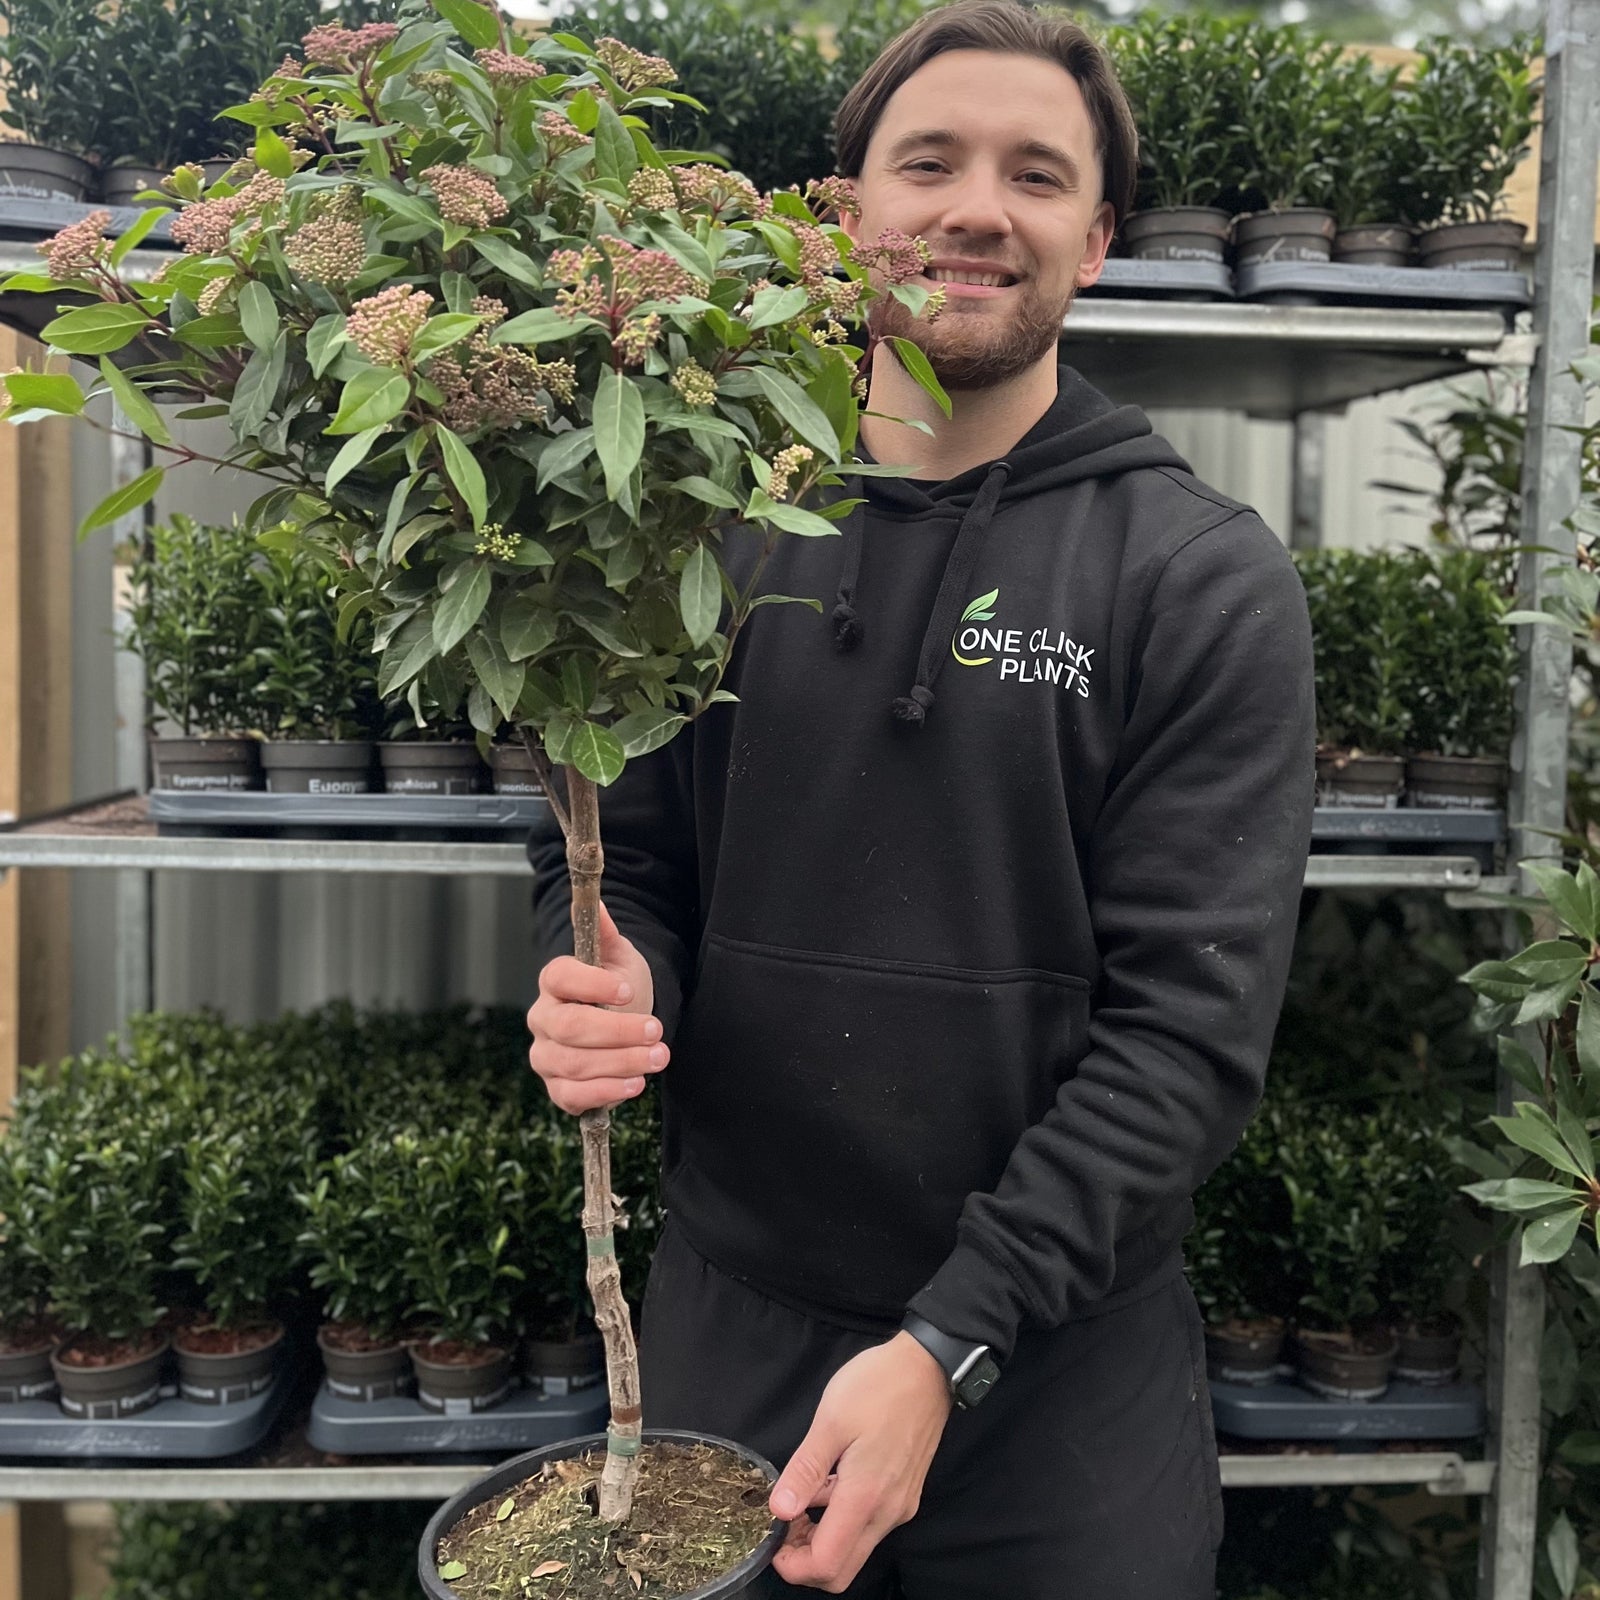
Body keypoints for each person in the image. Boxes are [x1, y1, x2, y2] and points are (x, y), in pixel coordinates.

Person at [527, 2, 1316, 1594]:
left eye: (1035, 176)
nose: (975, 207)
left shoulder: (1196, 579)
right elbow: (631, 859)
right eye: (930, 161)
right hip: (727, 1333)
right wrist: (611, 974)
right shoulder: (697, 531)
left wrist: (950, 1340)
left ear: (1093, 243)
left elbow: (1188, 1034)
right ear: (845, 218)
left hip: (1053, 1374)